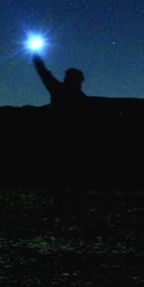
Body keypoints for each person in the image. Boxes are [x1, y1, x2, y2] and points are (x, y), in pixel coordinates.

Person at [32, 55, 86, 216]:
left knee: (64, 174)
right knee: (67, 174)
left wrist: (38, 61)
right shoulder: (76, 96)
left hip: (64, 138)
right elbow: (46, 75)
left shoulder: (61, 91)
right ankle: (68, 207)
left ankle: (64, 206)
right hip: (67, 138)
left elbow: (45, 75)